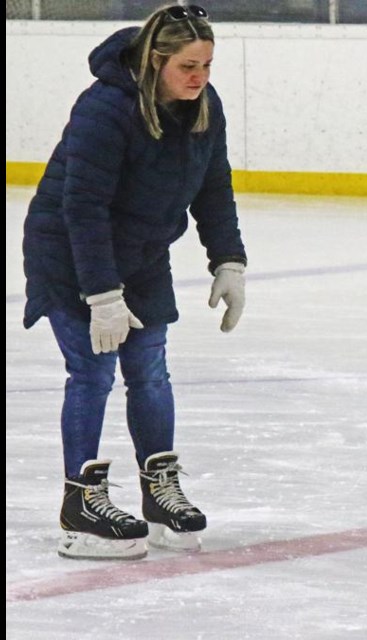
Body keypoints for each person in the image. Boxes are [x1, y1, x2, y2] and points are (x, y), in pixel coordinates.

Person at [22, 4, 247, 560]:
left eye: (208, 65)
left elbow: (213, 185)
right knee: (94, 371)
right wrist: (101, 296)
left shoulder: (204, 107)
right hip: (72, 251)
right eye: (188, 66)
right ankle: (81, 502)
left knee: (149, 369)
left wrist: (229, 260)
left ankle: (158, 491)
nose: (199, 77)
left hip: (143, 253)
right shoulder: (106, 108)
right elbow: (83, 206)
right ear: (155, 59)